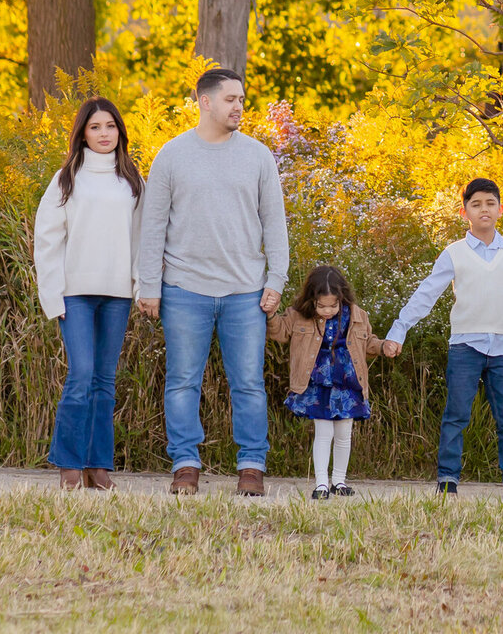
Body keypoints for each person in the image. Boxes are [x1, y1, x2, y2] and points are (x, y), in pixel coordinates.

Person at [137, 67, 291, 498]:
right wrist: (148, 284)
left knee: (248, 383)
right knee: (183, 380)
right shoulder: (171, 155)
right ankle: (185, 464)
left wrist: (275, 279)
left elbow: (274, 223)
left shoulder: (258, 156)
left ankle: (251, 466)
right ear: (205, 101)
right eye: (230, 99)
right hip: (184, 289)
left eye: (242, 99)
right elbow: (153, 225)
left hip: (245, 292)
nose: (239, 106)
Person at [379, 178, 503, 497]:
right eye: (476, 204)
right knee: (457, 413)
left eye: (489, 203)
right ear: (464, 213)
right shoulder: (454, 253)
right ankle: (448, 479)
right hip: (465, 346)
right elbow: (427, 293)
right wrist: (399, 328)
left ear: (500, 209)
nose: (484, 209)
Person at [32, 96, 143, 491]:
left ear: (120, 131)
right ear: (82, 132)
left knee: (104, 380)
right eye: (95, 127)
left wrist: (140, 286)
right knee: (80, 375)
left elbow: (141, 238)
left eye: (110, 126)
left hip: (117, 295)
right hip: (75, 293)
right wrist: (53, 295)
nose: (104, 134)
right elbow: (46, 240)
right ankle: (68, 463)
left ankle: (99, 467)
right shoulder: (67, 179)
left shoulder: (132, 180)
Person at [270, 264, 377, 499]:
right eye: (322, 306)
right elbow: (279, 331)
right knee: (323, 432)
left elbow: (368, 344)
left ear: (342, 298)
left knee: (344, 433)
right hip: (318, 383)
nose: (327, 310)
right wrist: (270, 314)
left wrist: (384, 346)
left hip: (348, 382)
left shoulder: (357, 316)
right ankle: (320, 483)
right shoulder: (299, 314)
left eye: (333, 305)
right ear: (312, 300)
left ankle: (339, 480)